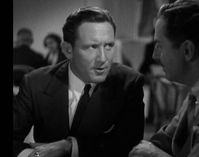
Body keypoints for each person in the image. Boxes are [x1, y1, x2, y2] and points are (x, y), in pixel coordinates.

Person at [13, 6, 145, 157]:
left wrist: (69, 147)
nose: (103, 58)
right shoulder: (35, 82)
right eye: (92, 47)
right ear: (68, 50)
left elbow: (130, 143)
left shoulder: (129, 82)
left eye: (109, 46)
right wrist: (34, 155)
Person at [129, 0, 199, 157]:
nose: (154, 55)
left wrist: (156, 155)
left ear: (187, 50)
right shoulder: (197, 89)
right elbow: (163, 140)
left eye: (160, 46)